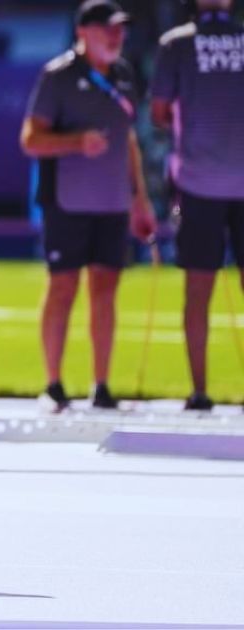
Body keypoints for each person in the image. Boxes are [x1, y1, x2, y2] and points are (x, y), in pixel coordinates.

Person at [20, 0, 157, 412]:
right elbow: (30, 140)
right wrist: (77, 142)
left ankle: (101, 386)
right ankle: (54, 384)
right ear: (84, 32)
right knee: (62, 287)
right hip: (66, 200)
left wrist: (140, 199)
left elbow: (128, 139)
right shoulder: (58, 76)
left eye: (120, 30)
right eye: (108, 29)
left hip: (113, 201)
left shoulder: (125, 75)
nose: (117, 37)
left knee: (106, 290)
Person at [151, 0, 244, 411]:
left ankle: (200, 391)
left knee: (198, 291)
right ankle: (201, 390)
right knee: (199, 292)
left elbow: (157, 112)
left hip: (198, 182)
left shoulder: (176, 44)